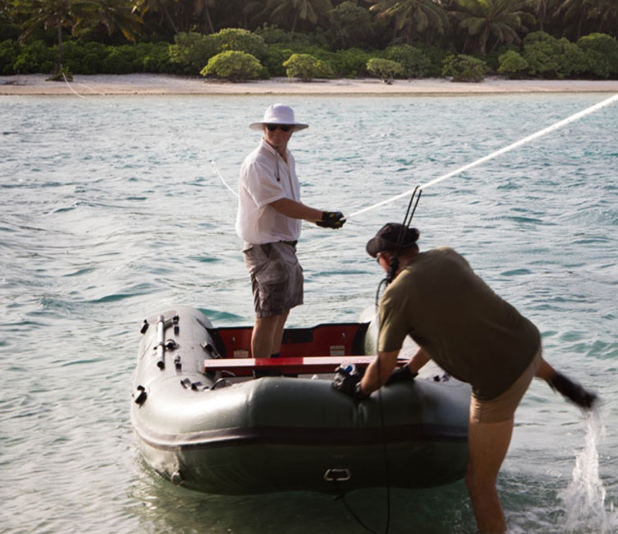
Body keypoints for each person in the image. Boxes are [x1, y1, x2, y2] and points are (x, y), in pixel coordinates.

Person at [334, 222, 597, 534]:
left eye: (377, 259)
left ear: (387, 258)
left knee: (479, 481)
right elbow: (454, 320)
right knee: (512, 351)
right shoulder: (447, 255)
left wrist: (360, 391)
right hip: (527, 341)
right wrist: (412, 371)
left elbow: (383, 365)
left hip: (498, 384)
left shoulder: (396, 295)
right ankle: (560, 382)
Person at [236, 104, 346, 361]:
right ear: (264, 128)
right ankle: (261, 372)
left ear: (292, 130)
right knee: (267, 314)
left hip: (286, 245)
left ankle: (273, 361)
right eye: (271, 126)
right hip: (265, 247)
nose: (277, 131)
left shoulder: (288, 157)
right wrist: (322, 215)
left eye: (283, 127)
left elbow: (289, 202)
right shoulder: (256, 163)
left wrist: (318, 221)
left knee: (283, 309)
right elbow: (279, 203)